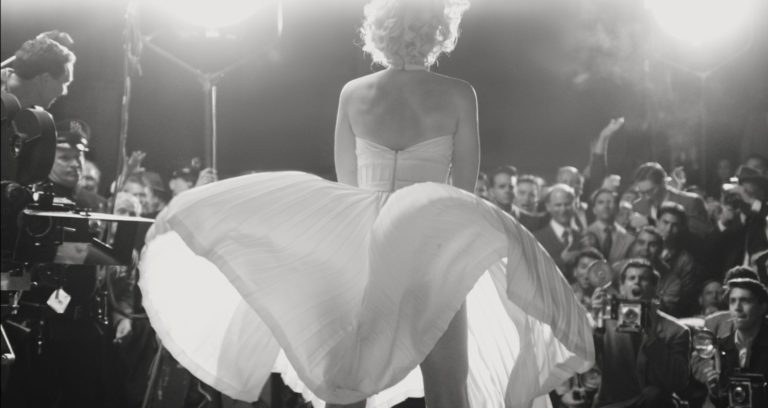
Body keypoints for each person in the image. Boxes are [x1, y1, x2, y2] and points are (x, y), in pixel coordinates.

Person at [137, 1, 594, 407]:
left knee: (349, 385)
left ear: (381, 29)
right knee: (448, 391)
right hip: (432, 249)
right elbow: (462, 196)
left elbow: (348, 187)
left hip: (364, 247)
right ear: (440, 28)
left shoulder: (353, 93)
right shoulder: (458, 94)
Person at [590, 259, 691, 407]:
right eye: (631, 278)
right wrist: (594, 318)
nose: (636, 282)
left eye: (643, 279)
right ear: (622, 287)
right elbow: (586, 359)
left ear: (655, 287)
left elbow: (678, 382)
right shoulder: (606, 322)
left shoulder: (676, 331)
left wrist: (653, 339)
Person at [691, 266, 768, 408]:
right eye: (732, 300)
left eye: (745, 300)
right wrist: (714, 379)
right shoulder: (719, 337)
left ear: (762, 306)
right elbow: (699, 358)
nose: (737, 307)